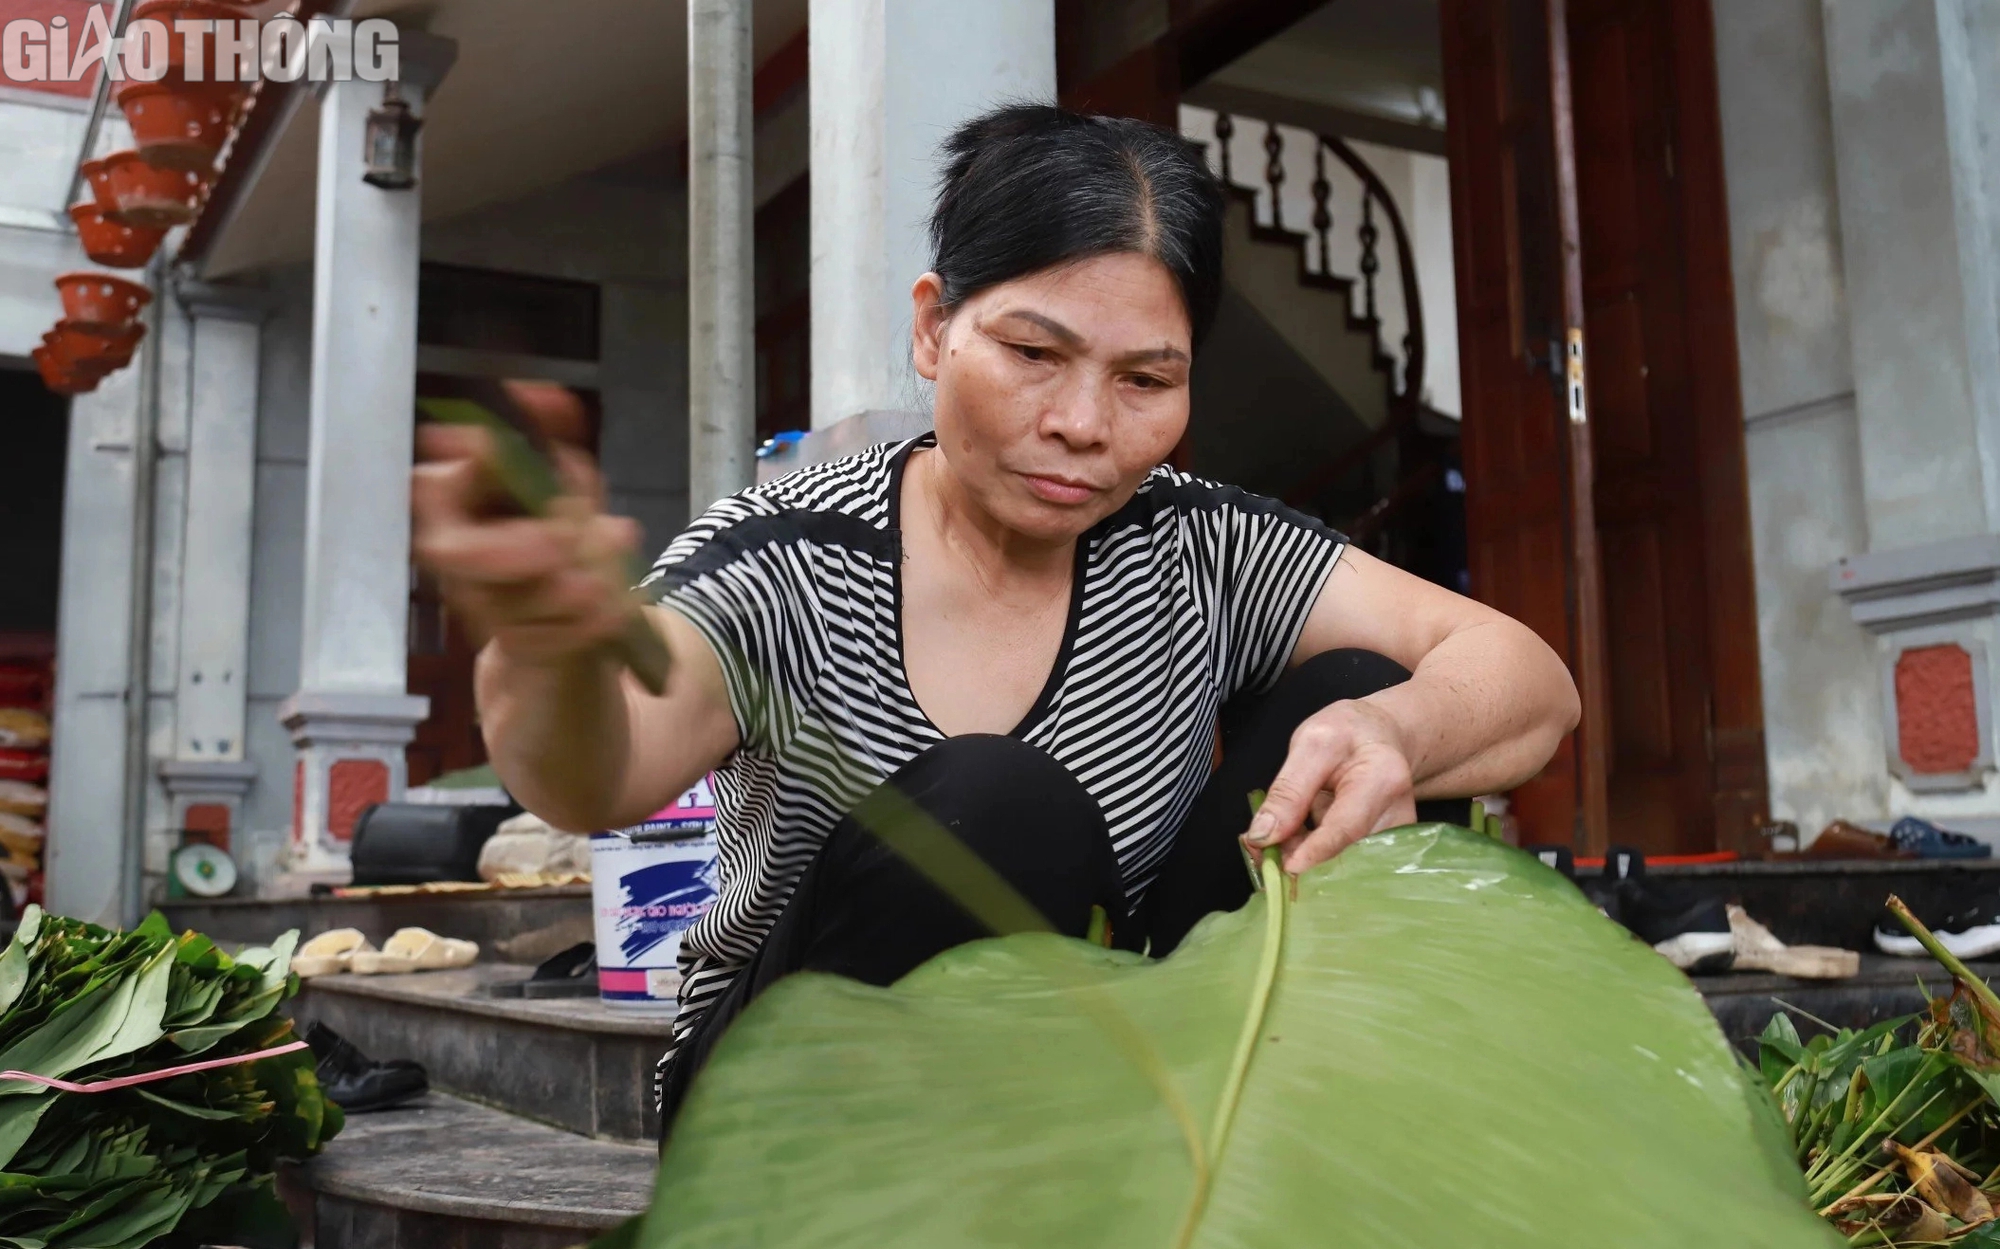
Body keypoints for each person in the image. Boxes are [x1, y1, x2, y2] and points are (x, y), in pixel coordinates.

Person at [411, 105, 1581, 1137]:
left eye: (1144, 380)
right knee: (993, 805)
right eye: (1032, 352)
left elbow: (1522, 675)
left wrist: (1399, 729)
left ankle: (1227, 1161)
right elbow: (595, 771)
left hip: (1098, 1080)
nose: (1082, 423)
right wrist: (541, 647)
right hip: (799, 1117)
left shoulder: (1198, 544)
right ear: (934, 330)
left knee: (1359, 694)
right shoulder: (794, 554)